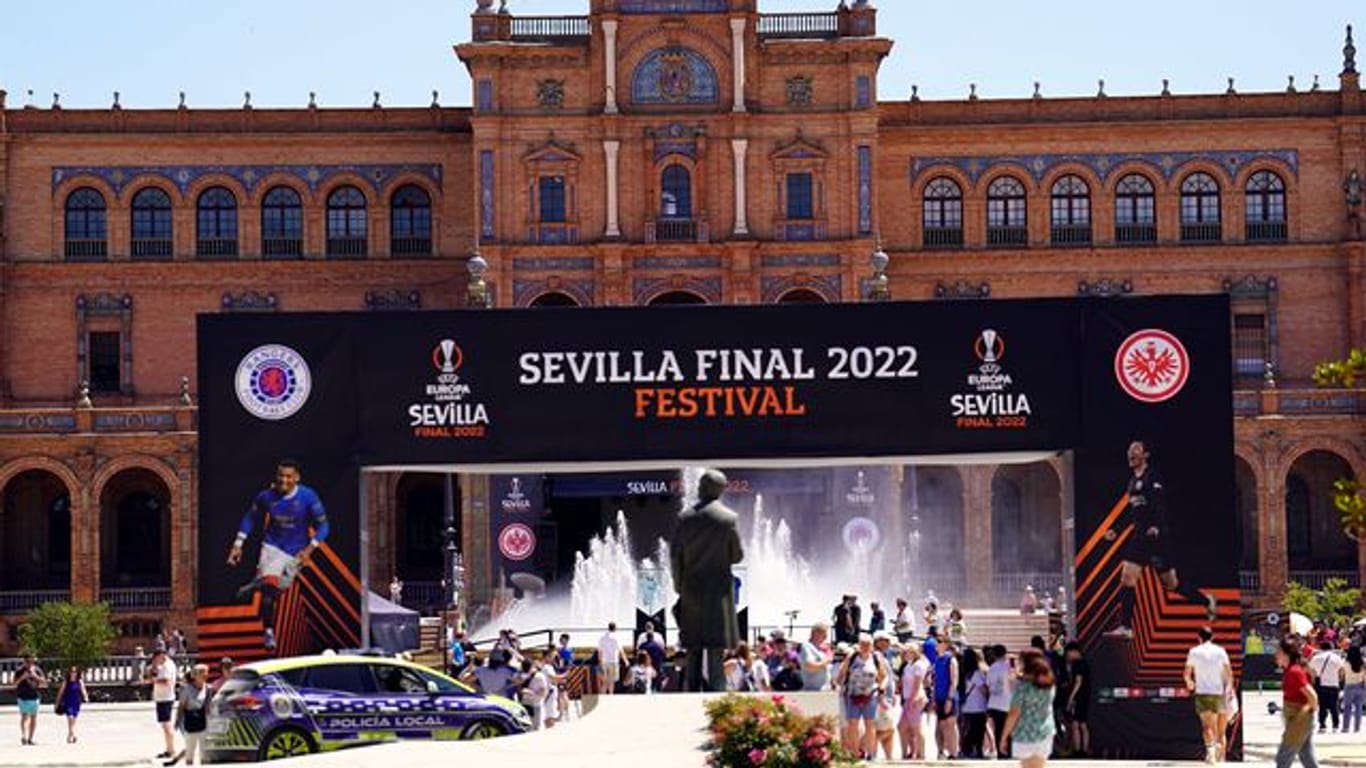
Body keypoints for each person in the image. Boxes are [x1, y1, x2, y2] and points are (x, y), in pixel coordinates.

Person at [1105, 441, 1216, 638]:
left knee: (1172, 585)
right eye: (1129, 450)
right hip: (1140, 538)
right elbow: (1132, 511)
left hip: (1156, 538)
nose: (1131, 453)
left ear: (1145, 455)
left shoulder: (1152, 477)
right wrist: (1116, 529)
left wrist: (1157, 526)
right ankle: (1126, 627)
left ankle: (1206, 601)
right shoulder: (1131, 482)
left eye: (1136, 450)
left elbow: (1159, 504)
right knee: (1127, 578)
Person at [227, 459, 330, 651]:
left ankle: (256, 584)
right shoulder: (266, 496)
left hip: (296, 550)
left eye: (288, 476)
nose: (284, 480)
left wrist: (310, 549)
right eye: (281, 476)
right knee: (269, 595)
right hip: (271, 546)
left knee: (279, 587)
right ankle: (268, 631)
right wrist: (238, 544)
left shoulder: (308, 497)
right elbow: (250, 517)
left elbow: (324, 525)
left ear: (296, 478)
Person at [670, 469, 744, 693]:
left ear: (702, 488)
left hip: (692, 589)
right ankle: (717, 693)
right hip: (719, 591)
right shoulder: (728, 519)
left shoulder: (685, 518)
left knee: (693, 646)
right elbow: (737, 555)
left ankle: (691, 691)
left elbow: (675, 556)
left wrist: (678, 585)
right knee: (716, 647)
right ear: (721, 491)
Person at [1001, 648, 1058, 768]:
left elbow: (1014, 714)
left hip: (1025, 733)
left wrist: (1004, 736)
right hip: (1045, 732)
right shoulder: (1049, 684)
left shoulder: (1022, 687)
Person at [1184, 626, 1233, 763]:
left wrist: (1190, 683)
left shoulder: (1194, 652)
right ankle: (1220, 758)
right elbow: (1229, 674)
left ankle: (1210, 752)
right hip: (1219, 693)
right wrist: (1229, 691)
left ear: (1199, 637)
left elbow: (1187, 674)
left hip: (1202, 693)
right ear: (1213, 637)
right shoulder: (1221, 651)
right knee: (1221, 729)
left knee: (1207, 726)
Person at [835, 633, 887, 760]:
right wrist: (838, 685)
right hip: (853, 694)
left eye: (868, 644)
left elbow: (883, 676)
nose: (865, 647)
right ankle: (855, 753)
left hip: (871, 695)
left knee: (870, 724)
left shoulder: (875, 658)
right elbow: (841, 674)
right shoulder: (852, 657)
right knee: (853, 724)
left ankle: (870, 753)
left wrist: (881, 688)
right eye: (862, 644)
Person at [1275, 638, 1320, 768]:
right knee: (1306, 756)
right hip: (1298, 717)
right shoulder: (1291, 670)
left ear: (1286, 654)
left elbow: (1312, 695)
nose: (1276, 655)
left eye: (1278, 652)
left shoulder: (1294, 672)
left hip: (1300, 718)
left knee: (1283, 757)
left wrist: (1307, 714)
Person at [165, 664, 210, 766]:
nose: (205, 675)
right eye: (201, 673)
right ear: (194, 675)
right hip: (190, 721)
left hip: (203, 722)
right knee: (190, 750)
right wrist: (177, 722)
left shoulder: (207, 688)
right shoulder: (187, 689)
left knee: (204, 753)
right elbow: (181, 706)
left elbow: (208, 706)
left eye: (206, 672)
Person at [143, 646, 179, 760]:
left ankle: (171, 750)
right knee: (165, 724)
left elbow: (166, 681)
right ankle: (168, 749)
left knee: (167, 724)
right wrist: (153, 670)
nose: (156, 661)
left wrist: (152, 680)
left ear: (162, 656)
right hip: (162, 697)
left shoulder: (168, 666)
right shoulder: (163, 665)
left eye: (157, 658)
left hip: (166, 697)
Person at [899, 644, 930, 760]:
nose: (908, 654)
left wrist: (912, 699)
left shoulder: (919, 665)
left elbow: (917, 684)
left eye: (911, 652)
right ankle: (906, 753)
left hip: (915, 698)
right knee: (902, 727)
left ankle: (921, 754)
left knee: (916, 727)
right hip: (907, 698)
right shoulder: (908, 665)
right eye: (906, 652)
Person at [960, 647, 991, 758]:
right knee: (978, 731)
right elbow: (983, 689)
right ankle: (977, 751)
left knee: (969, 730)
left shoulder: (966, 673)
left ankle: (967, 750)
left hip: (968, 706)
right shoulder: (977, 673)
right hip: (979, 705)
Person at [1309, 640, 1346, 734]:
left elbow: (1311, 671)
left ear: (1321, 648)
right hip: (1334, 684)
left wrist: (1314, 681)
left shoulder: (1316, 658)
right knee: (1334, 706)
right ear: (1331, 647)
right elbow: (1342, 670)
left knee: (1322, 706)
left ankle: (1322, 725)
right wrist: (1339, 679)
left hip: (1321, 684)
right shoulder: (1336, 658)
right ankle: (1335, 725)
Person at [1063, 642, 1092, 759]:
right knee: (1083, 724)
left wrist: (1071, 698)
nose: (1068, 656)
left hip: (1079, 696)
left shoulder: (1077, 664)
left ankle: (1078, 750)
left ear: (1074, 651)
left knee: (1075, 724)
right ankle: (1084, 750)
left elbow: (1078, 682)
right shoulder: (1085, 662)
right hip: (1086, 695)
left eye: (1069, 653)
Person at [934, 642, 961, 759]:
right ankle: (942, 751)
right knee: (941, 725)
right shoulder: (937, 660)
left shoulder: (951, 659)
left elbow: (954, 680)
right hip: (938, 696)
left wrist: (949, 698)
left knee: (950, 724)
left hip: (949, 696)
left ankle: (953, 752)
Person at [987, 643, 1015, 759]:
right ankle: (1009, 752)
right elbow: (1014, 683)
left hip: (995, 702)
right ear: (1005, 653)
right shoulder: (1009, 667)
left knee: (998, 729)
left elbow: (988, 685)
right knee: (1010, 729)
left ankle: (1000, 752)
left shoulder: (992, 668)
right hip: (1008, 701)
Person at [14, 653, 45, 746]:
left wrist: (35, 676)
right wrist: (22, 677)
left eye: (31, 661)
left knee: (33, 718)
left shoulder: (37, 670)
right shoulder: (19, 670)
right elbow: (15, 683)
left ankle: (30, 739)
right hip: (22, 697)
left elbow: (43, 681)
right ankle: (24, 736)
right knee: (24, 716)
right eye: (27, 661)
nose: (29, 663)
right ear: (24, 661)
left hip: (34, 697)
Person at [57, 666, 88, 744]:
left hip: (76, 702)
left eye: (75, 672)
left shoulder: (79, 681)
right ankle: (73, 735)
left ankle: (70, 734)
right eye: (71, 671)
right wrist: (57, 702)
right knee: (70, 718)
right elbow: (61, 692)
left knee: (74, 719)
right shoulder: (66, 681)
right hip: (68, 701)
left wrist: (85, 697)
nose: (73, 673)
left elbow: (83, 689)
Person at [800, 622, 833, 691]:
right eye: (823, 633)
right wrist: (826, 661)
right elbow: (809, 666)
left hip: (826, 688)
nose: (826, 636)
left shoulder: (823, 648)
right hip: (813, 689)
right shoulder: (807, 646)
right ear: (815, 633)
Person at [596, 623, 626, 695]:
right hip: (613, 661)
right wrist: (625, 660)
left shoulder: (602, 638)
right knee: (611, 681)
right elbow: (621, 650)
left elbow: (600, 651)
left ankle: (603, 697)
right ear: (615, 628)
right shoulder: (616, 638)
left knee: (605, 681)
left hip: (604, 661)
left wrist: (600, 661)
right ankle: (610, 696)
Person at [1341, 646, 1364, 734]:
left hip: (1349, 685)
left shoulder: (1346, 663)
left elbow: (1342, 674)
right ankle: (1357, 727)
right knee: (1358, 707)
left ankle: (1346, 727)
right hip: (1360, 685)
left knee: (1347, 707)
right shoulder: (1363, 662)